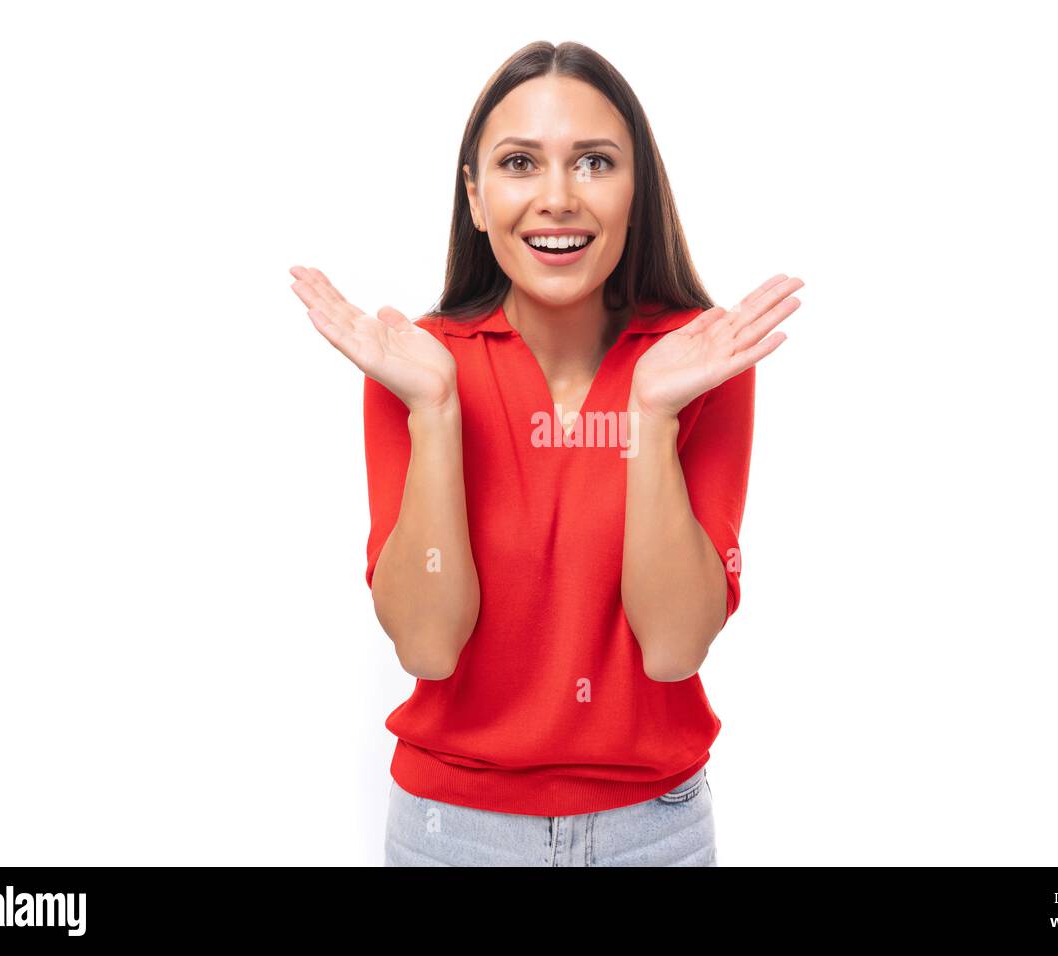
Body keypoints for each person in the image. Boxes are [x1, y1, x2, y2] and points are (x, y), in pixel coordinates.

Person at [289, 40, 801, 866]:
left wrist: (654, 416)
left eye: (595, 163)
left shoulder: (698, 361)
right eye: (520, 163)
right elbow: (426, 647)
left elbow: (672, 649)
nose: (557, 199)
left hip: (655, 831)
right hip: (450, 831)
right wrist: (435, 411)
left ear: (638, 192)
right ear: (477, 196)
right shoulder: (418, 368)